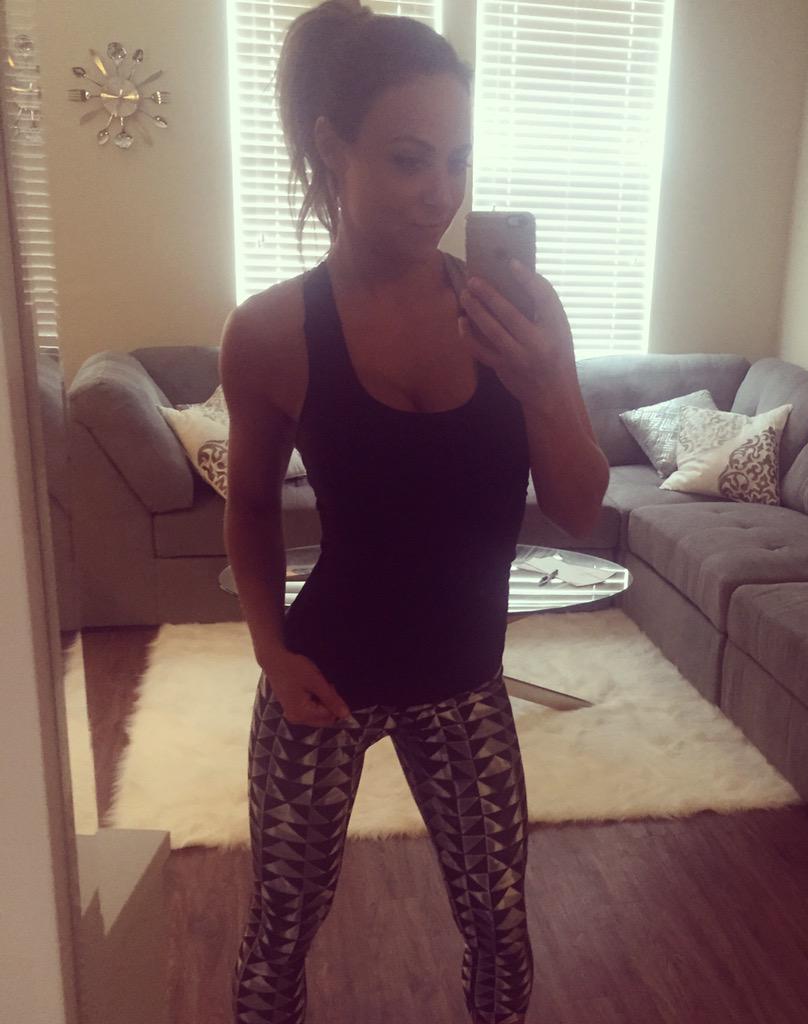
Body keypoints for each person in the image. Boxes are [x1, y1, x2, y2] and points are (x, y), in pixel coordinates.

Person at [221, 3, 609, 1022]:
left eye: (458, 160)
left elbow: (578, 508)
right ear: (332, 147)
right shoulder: (271, 332)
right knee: (282, 926)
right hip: (324, 676)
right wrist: (270, 650)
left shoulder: (519, 312)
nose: (441, 191)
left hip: (465, 678)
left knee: (501, 926)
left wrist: (543, 381)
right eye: (408, 159)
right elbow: (250, 507)